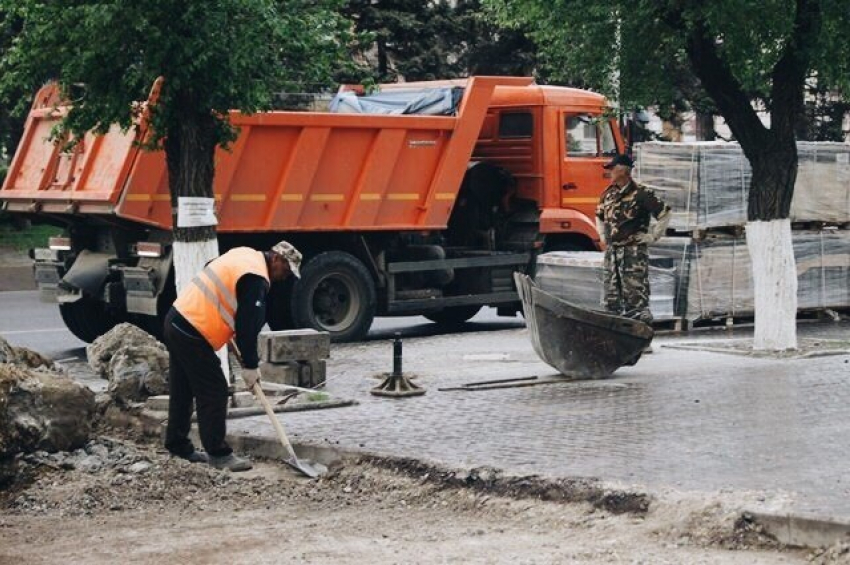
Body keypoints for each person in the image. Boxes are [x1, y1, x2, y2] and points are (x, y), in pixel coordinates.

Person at [163, 241, 302, 471]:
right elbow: (248, 325)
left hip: (177, 319)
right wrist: (250, 365)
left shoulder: (245, 255)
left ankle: (178, 445)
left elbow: (212, 268)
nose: (284, 277)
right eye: (286, 270)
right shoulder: (256, 277)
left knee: (183, 388)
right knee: (215, 389)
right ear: (276, 259)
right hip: (192, 330)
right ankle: (218, 454)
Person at [595, 154, 670, 324]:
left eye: (613, 169)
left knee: (636, 296)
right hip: (613, 253)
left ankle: (642, 337)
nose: (610, 173)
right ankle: (615, 337)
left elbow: (665, 213)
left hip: (633, 254)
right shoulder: (608, 194)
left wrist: (652, 236)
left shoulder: (642, 194)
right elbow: (599, 215)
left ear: (623, 171)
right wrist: (602, 236)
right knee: (611, 297)